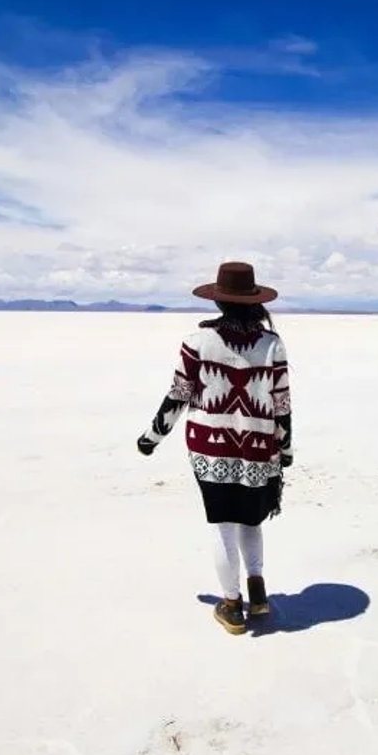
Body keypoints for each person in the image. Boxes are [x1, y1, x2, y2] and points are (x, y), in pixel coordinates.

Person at [137, 261, 293, 635]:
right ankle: (257, 594)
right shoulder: (272, 344)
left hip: (211, 449)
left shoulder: (197, 342)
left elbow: (178, 395)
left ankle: (230, 605)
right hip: (258, 448)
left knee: (223, 525)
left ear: (219, 301)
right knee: (251, 521)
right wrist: (285, 450)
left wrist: (152, 437)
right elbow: (282, 403)